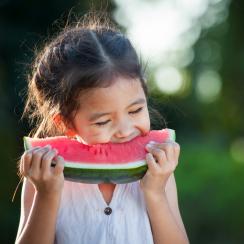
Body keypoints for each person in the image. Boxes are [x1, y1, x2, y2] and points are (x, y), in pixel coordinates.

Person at [15, 12, 189, 244]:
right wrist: (47, 195)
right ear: (66, 123)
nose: (125, 130)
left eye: (135, 110)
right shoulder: (43, 175)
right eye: (103, 122)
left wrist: (155, 192)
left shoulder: (158, 171)